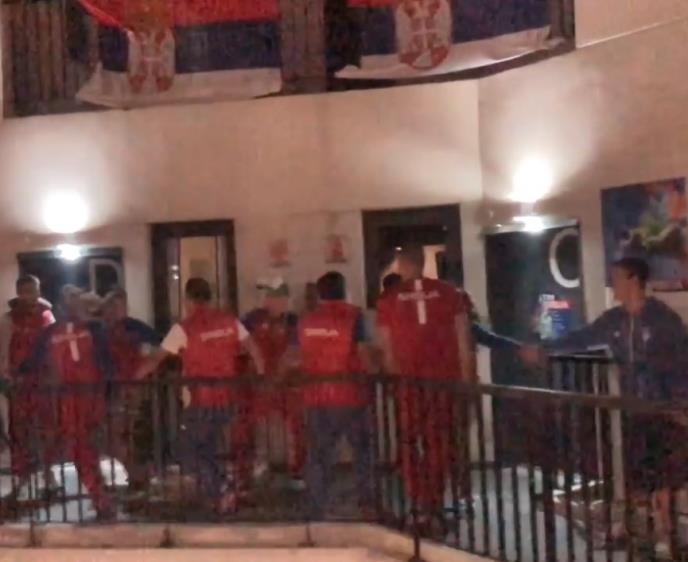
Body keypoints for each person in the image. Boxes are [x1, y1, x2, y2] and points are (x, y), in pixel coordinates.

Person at [536, 257, 688, 552]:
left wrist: (681, 404)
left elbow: (681, 364)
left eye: (617, 277)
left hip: (664, 409)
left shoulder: (663, 320)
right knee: (637, 471)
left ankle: (665, 535)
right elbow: (583, 338)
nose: (612, 283)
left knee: (664, 475)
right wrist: (546, 350)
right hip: (634, 409)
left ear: (634, 280)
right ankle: (636, 528)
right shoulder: (615, 319)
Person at [135, 278, 265, 514]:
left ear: (188, 300)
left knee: (190, 449)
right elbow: (254, 350)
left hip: (201, 400)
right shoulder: (230, 321)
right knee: (208, 447)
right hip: (228, 397)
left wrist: (132, 378)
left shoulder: (184, 328)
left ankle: (222, 490)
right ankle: (222, 492)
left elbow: (156, 359)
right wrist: (260, 379)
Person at [377, 245, 473, 524]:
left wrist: (395, 381)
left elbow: (386, 349)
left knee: (409, 441)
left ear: (401, 265)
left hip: (408, 383)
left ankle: (418, 500)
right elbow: (463, 341)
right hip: (444, 383)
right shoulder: (450, 294)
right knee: (439, 442)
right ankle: (435, 500)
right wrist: (467, 382)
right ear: (422, 262)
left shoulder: (388, 299)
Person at [21, 285, 113, 518]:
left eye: (77, 298)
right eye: (71, 298)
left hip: (89, 400)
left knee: (90, 448)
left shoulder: (94, 329)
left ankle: (103, 497)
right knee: (79, 449)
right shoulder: (52, 333)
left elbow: (106, 362)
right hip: (68, 402)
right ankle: (100, 499)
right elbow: (33, 364)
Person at [298, 271, 373, 520]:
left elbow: (293, 355)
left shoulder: (306, 320)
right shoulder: (354, 316)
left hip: (316, 396)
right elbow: (363, 353)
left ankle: (319, 507)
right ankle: (366, 503)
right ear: (344, 290)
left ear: (320, 294)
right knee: (362, 451)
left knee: (319, 454)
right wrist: (376, 371)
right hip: (350, 394)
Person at [235, 278, 304, 490]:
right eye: (267, 296)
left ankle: (297, 470)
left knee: (296, 428)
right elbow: (239, 347)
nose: (267, 300)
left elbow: (296, 352)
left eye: (272, 296)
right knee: (246, 426)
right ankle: (247, 472)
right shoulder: (251, 319)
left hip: (286, 386)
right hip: (257, 385)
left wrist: (280, 375)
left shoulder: (294, 322)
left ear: (284, 299)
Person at [0, 275, 55, 494]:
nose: (29, 296)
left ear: (38, 291)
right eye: (25, 291)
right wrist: (5, 379)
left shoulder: (47, 317)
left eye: (33, 290)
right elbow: (3, 351)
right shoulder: (8, 320)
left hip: (42, 384)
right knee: (19, 432)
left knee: (46, 430)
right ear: (18, 293)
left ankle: (49, 477)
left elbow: (53, 348)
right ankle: (21, 479)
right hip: (17, 386)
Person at [101, 288, 160, 492]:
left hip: (131, 388)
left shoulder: (135, 328)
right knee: (115, 436)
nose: (116, 310)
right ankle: (138, 475)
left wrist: (143, 369)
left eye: (120, 306)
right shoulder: (103, 331)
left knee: (126, 435)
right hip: (112, 388)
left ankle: (138, 476)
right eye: (112, 306)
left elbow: (158, 348)